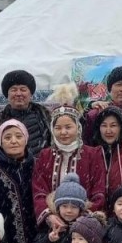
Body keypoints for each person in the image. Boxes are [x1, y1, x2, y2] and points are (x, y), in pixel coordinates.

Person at [32, 98, 106, 229]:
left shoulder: (92, 154)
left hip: (85, 225)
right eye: (58, 128)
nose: (63, 132)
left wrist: (83, 217)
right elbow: (39, 191)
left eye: (68, 127)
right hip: (52, 225)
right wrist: (49, 215)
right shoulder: (45, 156)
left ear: (78, 128)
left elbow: (99, 191)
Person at [0, 70, 51, 157]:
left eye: (23, 89)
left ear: (30, 94)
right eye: (14, 90)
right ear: (7, 94)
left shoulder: (45, 116)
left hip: (42, 166)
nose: (18, 94)